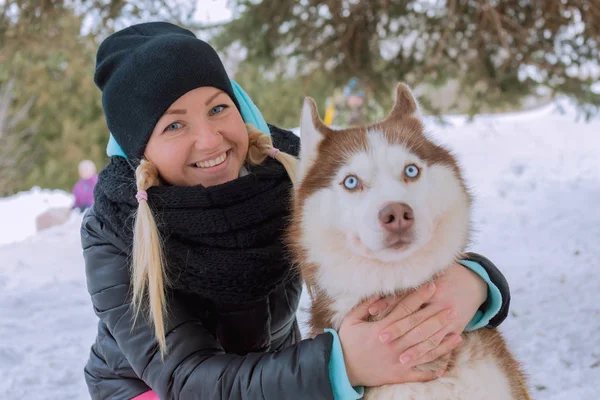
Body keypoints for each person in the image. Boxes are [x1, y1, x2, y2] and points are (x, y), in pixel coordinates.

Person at [82, 22, 510, 400]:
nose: (210, 140)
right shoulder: (115, 227)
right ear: (141, 150)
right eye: (174, 124)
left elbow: (376, 248)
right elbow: (186, 378)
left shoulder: (284, 173)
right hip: (155, 390)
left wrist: (476, 282)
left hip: (276, 377)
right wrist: (340, 367)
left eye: (217, 108)